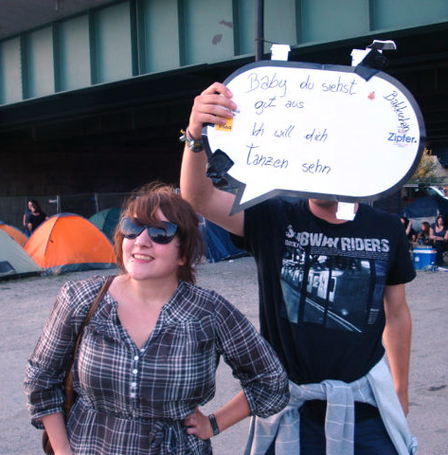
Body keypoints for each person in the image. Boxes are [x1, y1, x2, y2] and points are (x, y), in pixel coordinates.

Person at [180, 82, 417, 454]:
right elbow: (199, 197)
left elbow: (397, 313)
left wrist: (399, 390)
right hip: (290, 409)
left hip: (365, 405)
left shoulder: (385, 228)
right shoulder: (273, 217)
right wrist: (195, 136)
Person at [24, 182, 289, 455]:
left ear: (183, 253)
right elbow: (41, 380)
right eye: (132, 228)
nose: (141, 240)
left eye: (160, 232)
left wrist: (214, 423)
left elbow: (270, 380)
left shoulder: (209, 312)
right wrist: (63, 450)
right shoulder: (81, 298)